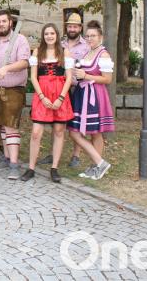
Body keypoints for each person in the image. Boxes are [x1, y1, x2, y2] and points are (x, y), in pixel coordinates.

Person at [21, 24, 75, 183]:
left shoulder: (64, 52)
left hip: (60, 94)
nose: (49, 36)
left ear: (57, 35)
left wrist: (61, 98)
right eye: (46, 34)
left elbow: (69, 78)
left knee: (59, 131)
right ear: (43, 36)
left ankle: (54, 168)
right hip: (42, 94)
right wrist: (42, 97)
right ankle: (31, 168)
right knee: (36, 132)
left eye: (52, 33)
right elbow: (33, 77)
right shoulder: (37, 52)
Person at [0, 9, 30, 180]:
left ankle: (14, 165)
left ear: (10, 23)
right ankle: (7, 157)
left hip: (13, 90)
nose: (1, 24)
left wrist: (7, 68)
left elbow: (24, 62)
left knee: (11, 126)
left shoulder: (20, 40)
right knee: (2, 125)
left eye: (4, 21)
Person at [39, 12, 89, 168]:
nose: (72, 29)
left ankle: (76, 155)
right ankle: (53, 153)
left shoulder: (86, 46)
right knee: (55, 122)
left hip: (79, 88)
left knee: (76, 123)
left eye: (75, 26)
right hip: (60, 88)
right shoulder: (59, 44)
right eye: (70, 26)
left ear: (80, 28)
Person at [68, 20, 114, 180]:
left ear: (100, 37)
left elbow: (107, 79)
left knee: (95, 133)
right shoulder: (87, 53)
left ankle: (97, 166)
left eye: (93, 36)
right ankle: (99, 164)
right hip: (82, 95)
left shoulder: (104, 54)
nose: (89, 38)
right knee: (74, 132)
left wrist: (86, 76)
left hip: (95, 96)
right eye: (87, 36)